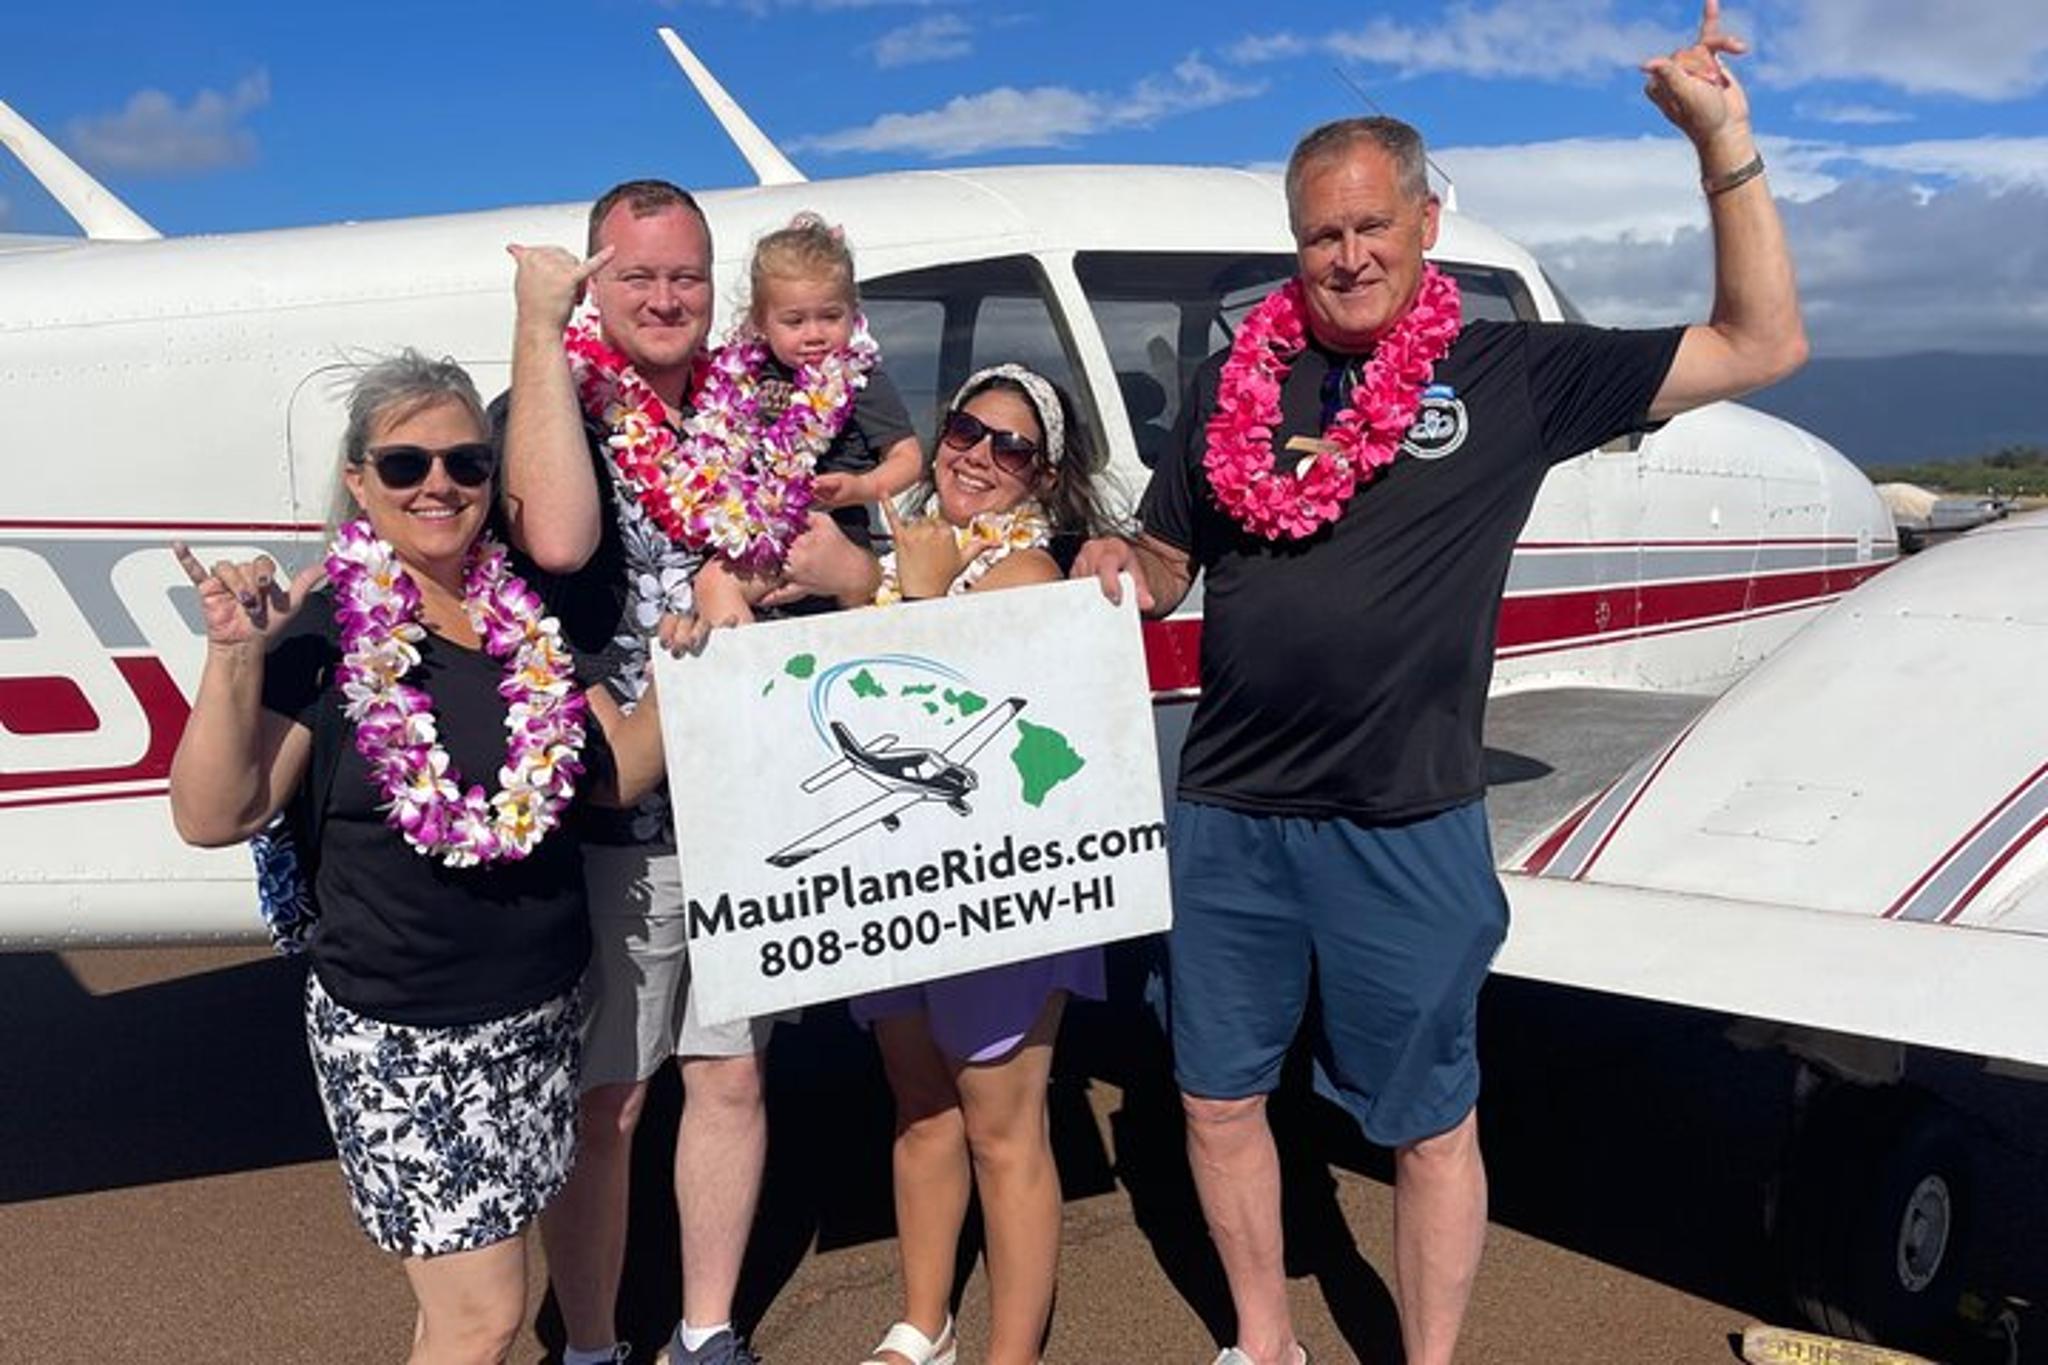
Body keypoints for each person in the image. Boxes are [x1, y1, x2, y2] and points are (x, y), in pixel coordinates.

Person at [1073, 5, 1806, 1363]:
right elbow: (1170, 556)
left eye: (1370, 227)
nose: (1345, 254)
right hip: (1230, 810)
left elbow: (1761, 344)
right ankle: (1262, 1340)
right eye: (1319, 232)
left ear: (1423, 227)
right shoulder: (1243, 376)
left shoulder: (1510, 373)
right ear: (1295, 243)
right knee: (1217, 1100)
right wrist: (1118, 556)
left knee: (1425, 1120)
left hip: (1401, 820)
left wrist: (1724, 143)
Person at [167, 351, 669, 1365]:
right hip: (403, 1035)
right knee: (483, 1314)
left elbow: (615, 776)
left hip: (540, 1013)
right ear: (359, 481)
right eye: (404, 465)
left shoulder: (524, 619)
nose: (438, 484)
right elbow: (217, 813)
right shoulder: (330, 630)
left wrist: (704, 658)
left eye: (465, 464)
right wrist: (234, 656)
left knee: (457, 1313)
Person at [689, 365, 1113, 1365]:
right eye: (967, 428)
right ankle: (923, 1321)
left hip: (1001, 896)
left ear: (1043, 479)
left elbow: (968, 715)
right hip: (903, 882)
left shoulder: (1028, 576)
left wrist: (908, 599)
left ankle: (1009, 1351)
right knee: (918, 1105)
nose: (976, 455)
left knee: (1001, 1126)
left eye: (1010, 446)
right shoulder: (912, 553)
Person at [499, 180, 771, 1365]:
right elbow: (556, 539)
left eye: (687, 277)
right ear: (592, 287)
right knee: (609, 1102)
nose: (665, 300)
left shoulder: (755, 408)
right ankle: (596, 1344)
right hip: (617, 822)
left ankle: (707, 1329)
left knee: (730, 1078)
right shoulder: (551, 401)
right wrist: (535, 324)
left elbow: (838, 559)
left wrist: (783, 569)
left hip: (748, 812)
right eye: (636, 277)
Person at [691, 211, 922, 625]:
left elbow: (908, 458)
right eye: (794, 321)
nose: (814, 334)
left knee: (715, 585)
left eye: (830, 317)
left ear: (854, 313)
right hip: (759, 527)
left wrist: (861, 487)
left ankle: (749, 683)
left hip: (827, 532)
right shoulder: (742, 376)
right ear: (761, 322)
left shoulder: (862, 380)